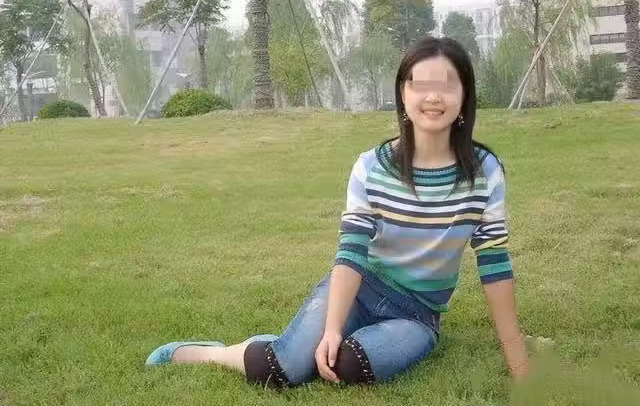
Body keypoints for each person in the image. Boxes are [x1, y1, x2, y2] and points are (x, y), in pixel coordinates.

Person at [145, 36, 529, 388]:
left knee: (348, 365)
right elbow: (351, 253)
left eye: (447, 85)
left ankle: (322, 340)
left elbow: (494, 263)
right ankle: (211, 353)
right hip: (358, 289)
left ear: (465, 95)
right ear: (403, 93)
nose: (433, 97)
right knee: (282, 369)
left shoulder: (484, 172)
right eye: (420, 85)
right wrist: (330, 329)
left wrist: (518, 360)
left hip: (416, 315)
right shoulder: (372, 167)